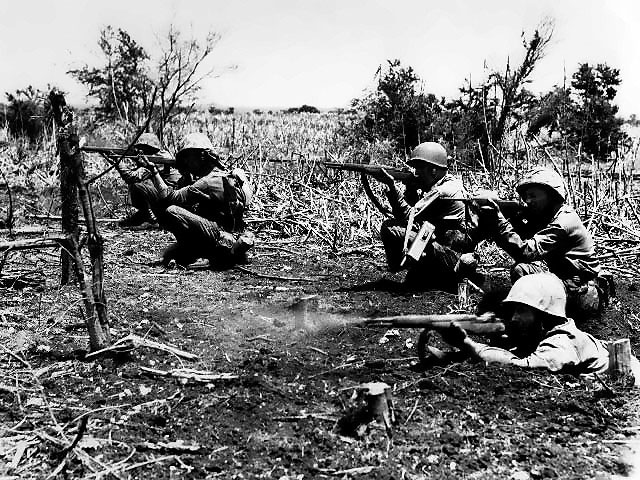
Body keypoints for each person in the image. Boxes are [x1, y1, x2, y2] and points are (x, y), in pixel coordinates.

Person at [443, 273, 639, 384]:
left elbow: (521, 367)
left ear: (544, 313)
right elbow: (514, 353)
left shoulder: (561, 342)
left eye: (522, 310)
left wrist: (468, 344)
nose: (514, 317)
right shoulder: (546, 335)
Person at [480, 167, 606, 317]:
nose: (528, 201)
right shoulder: (548, 216)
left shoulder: (563, 222)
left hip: (581, 292)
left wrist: (500, 222)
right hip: (569, 282)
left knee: (522, 271)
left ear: (552, 195)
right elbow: (524, 237)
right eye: (526, 196)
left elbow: (526, 252)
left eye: (533, 195)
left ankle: (539, 320)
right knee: (522, 270)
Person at [138, 132, 254, 268]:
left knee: (172, 211)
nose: (186, 162)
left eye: (188, 158)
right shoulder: (222, 175)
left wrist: (154, 171)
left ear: (202, 156)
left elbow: (170, 198)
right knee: (168, 254)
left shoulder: (207, 182)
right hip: (227, 232)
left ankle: (202, 254)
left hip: (218, 233)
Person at [374, 142, 478, 291]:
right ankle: (422, 270)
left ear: (434, 171)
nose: (416, 173)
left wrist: (392, 186)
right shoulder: (451, 184)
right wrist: (410, 190)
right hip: (448, 251)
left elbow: (408, 216)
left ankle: (405, 267)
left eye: (419, 169)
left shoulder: (441, 191)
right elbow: (417, 216)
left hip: (448, 256)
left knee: (389, 228)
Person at [110, 133, 183, 228]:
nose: (139, 151)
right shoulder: (164, 155)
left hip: (169, 199)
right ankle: (147, 215)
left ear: (148, 148)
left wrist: (118, 161)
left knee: (136, 185)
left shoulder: (155, 161)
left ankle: (152, 219)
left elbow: (130, 177)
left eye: (142, 148)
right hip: (172, 197)